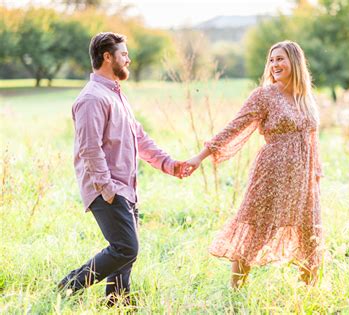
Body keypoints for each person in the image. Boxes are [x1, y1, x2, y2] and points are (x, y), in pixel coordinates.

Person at [58, 32, 187, 306]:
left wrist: (170, 165)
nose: (128, 59)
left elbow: (139, 137)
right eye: (124, 54)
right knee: (126, 247)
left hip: (126, 187)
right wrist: (107, 189)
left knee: (125, 253)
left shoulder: (116, 95)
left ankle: (117, 305)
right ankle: (68, 287)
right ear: (108, 56)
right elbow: (89, 149)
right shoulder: (92, 98)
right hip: (107, 188)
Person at [185, 40, 324, 288]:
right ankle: (236, 291)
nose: (274, 65)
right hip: (272, 172)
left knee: (309, 233)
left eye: (280, 59)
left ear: (295, 61)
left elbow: (313, 139)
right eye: (271, 60)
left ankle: (309, 293)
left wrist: (316, 174)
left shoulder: (306, 98)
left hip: (304, 178)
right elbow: (235, 126)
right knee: (257, 228)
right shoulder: (264, 95)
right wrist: (200, 156)